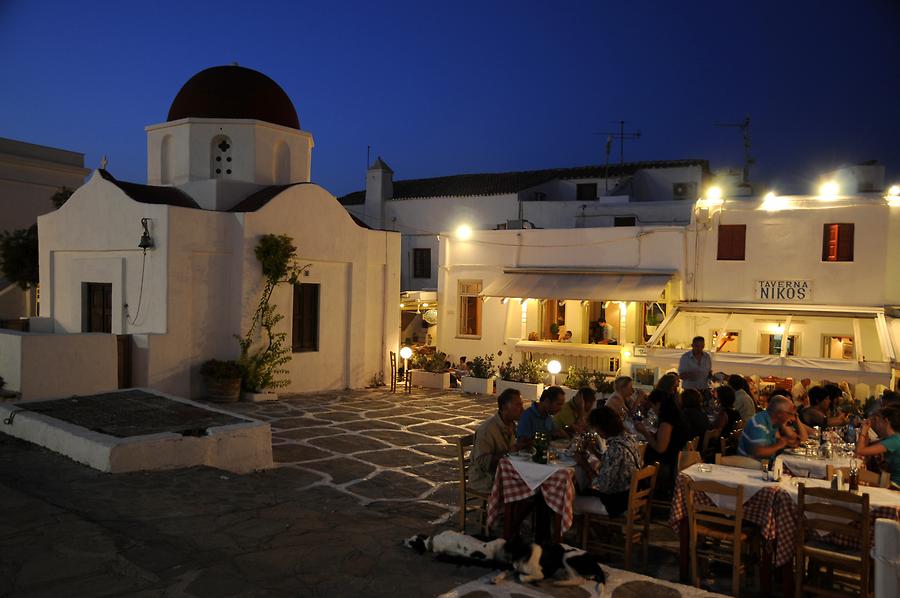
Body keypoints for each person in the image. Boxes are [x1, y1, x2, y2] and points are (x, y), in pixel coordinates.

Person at [575, 406, 642, 517]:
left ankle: (591, 531)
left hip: (617, 503)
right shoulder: (628, 439)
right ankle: (600, 529)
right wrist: (593, 451)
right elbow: (613, 463)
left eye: (596, 429)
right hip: (630, 496)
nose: (596, 432)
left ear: (602, 428)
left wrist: (585, 465)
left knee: (570, 501)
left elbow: (601, 486)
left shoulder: (615, 448)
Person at [468, 389, 528, 493]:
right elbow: (481, 462)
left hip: (506, 474)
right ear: (504, 407)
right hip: (486, 479)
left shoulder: (512, 425)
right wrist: (509, 452)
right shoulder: (487, 430)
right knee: (526, 489)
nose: (522, 410)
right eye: (518, 405)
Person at [635, 389, 687, 494]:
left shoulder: (667, 421)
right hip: (674, 460)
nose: (653, 410)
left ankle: (635, 495)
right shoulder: (677, 415)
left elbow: (660, 448)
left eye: (653, 406)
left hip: (664, 465)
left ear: (658, 404)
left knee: (634, 464)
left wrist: (644, 432)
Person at [737, 395, 801, 459]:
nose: (793, 419)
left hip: (760, 465)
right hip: (749, 466)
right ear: (779, 413)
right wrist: (780, 444)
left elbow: (769, 444)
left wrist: (786, 443)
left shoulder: (772, 422)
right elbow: (759, 452)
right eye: (790, 414)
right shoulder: (759, 423)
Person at [855, 406, 900, 488]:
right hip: (890, 482)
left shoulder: (894, 441)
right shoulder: (893, 438)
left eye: (878, 421)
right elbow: (866, 449)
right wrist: (867, 431)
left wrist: (864, 430)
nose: (875, 425)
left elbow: (860, 451)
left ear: (886, 421)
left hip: (895, 486)